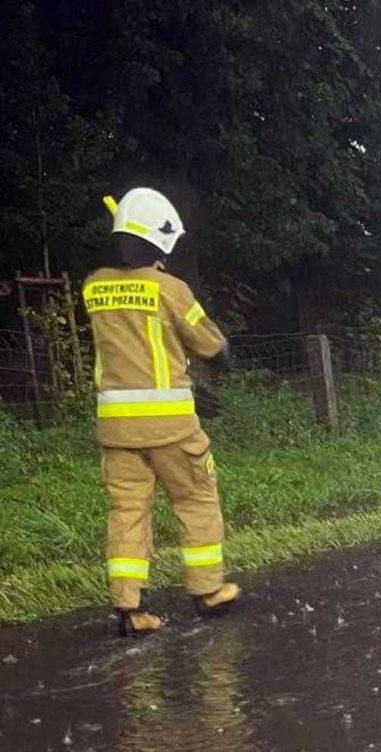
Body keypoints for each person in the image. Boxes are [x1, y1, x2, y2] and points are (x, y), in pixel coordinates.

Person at [83, 188, 241, 636]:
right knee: (196, 499)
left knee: (127, 510)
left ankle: (130, 608)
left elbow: (134, 348)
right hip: (171, 426)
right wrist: (214, 365)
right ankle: (207, 590)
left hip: (116, 429)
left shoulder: (94, 286)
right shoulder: (170, 290)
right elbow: (213, 346)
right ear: (160, 244)